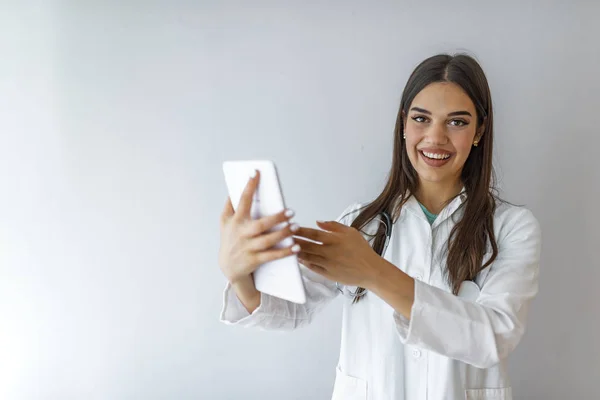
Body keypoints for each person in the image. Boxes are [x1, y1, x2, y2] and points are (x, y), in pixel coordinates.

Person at [217, 53, 542, 400]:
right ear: (403, 124)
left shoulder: (511, 227)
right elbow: (288, 310)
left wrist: (374, 272)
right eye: (421, 118)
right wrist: (240, 277)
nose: (435, 137)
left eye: (457, 122)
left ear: (479, 131)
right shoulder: (361, 226)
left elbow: (495, 336)